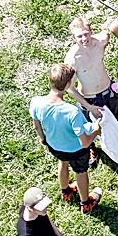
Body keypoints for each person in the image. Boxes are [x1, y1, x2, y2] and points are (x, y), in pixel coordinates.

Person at [29, 64, 102, 214]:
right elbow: (85, 142)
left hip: (55, 146)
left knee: (62, 162)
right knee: (81, 172)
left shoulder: (36, 102)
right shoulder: (72, 112)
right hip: (76, 150)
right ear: (68, 84)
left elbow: (36, 126)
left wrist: (43, 139)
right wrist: (96, 131)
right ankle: (86, 203)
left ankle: (66, 192)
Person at [64, 17, 118, 166]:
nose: (84, 39)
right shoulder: (72, 60)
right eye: (79, 36)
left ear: (91, 32)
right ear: (73, 37)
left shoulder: (101, 41)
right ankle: (92, 147)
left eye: (86, 34)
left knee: (115, 115)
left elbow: (106, 34)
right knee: (91, 127)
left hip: (108, 91)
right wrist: (88, 106)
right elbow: (69, 88)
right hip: (90, 99)